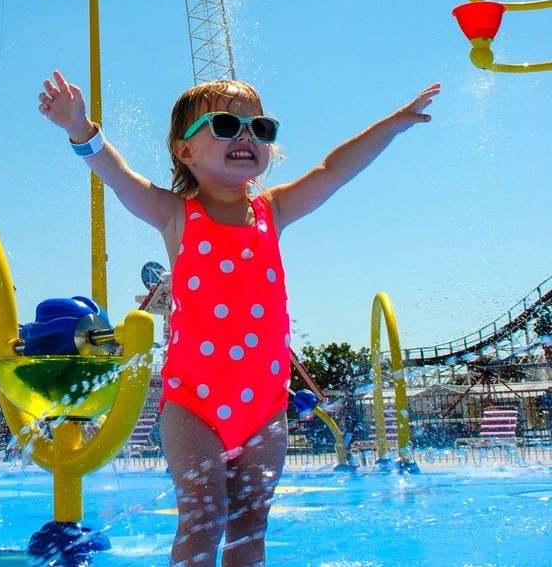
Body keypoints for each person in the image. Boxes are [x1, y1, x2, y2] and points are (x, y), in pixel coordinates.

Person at [39, 69, 438, 566]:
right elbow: (120, 175)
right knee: (203, 517)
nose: (246, 136)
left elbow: (334, 169)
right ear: (185, 151)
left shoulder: (275, 211)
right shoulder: (177, 216)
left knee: (251, 524)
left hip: (264, 407)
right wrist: (81, 129)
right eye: (226, 126)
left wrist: (393, 124)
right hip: (193, 405)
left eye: (259, 128)